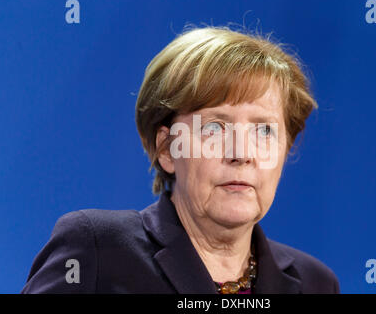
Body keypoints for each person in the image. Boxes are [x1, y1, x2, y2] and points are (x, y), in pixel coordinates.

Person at [22, 25, 340, 294]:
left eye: (264, 131)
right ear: (167, 149)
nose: (242, 154)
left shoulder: (314, 283)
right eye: (214, 127)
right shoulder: (97, 250)